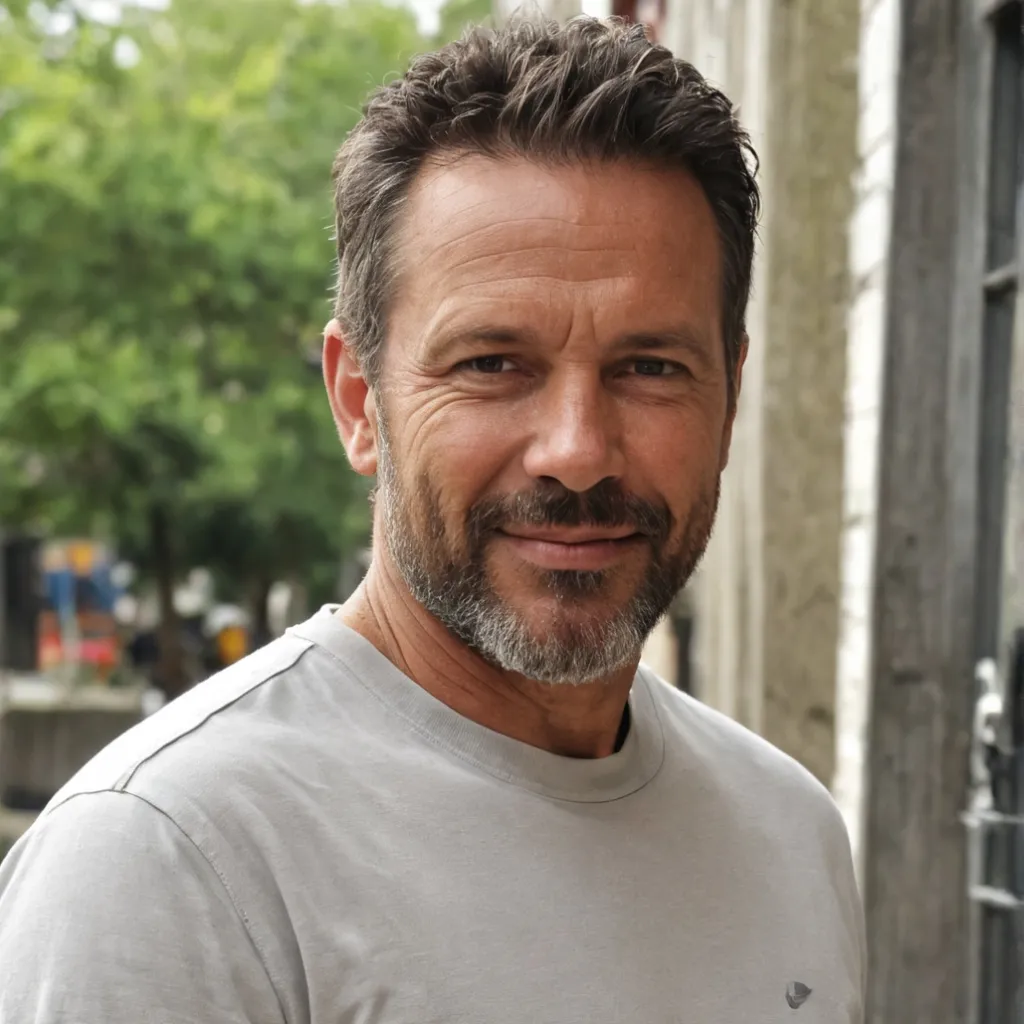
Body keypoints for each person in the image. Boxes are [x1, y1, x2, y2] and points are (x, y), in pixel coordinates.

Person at [0, 16, 865, 1023]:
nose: (577, 449)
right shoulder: (173, 862)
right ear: (358, 403)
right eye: (492, 363)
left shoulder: (788, 831)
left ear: (729, 396)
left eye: (649, 367)